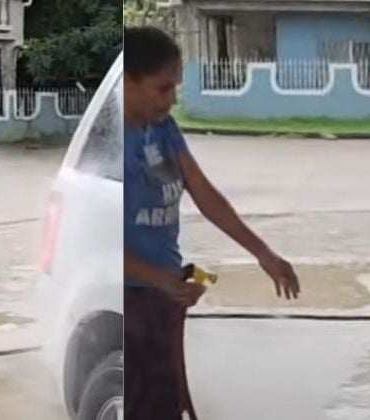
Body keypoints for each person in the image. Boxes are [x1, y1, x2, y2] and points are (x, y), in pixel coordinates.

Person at [124, 26, 301, 420]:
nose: (171, 100)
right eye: (162, 89)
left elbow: (206, 196)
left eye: (175, 89)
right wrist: (161, 280)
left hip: (162, 295)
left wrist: (264, 253)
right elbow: (99, 248)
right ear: (128, 83)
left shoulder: (164, 130)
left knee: (167, 402)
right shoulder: (112, 148)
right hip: (129, 300)